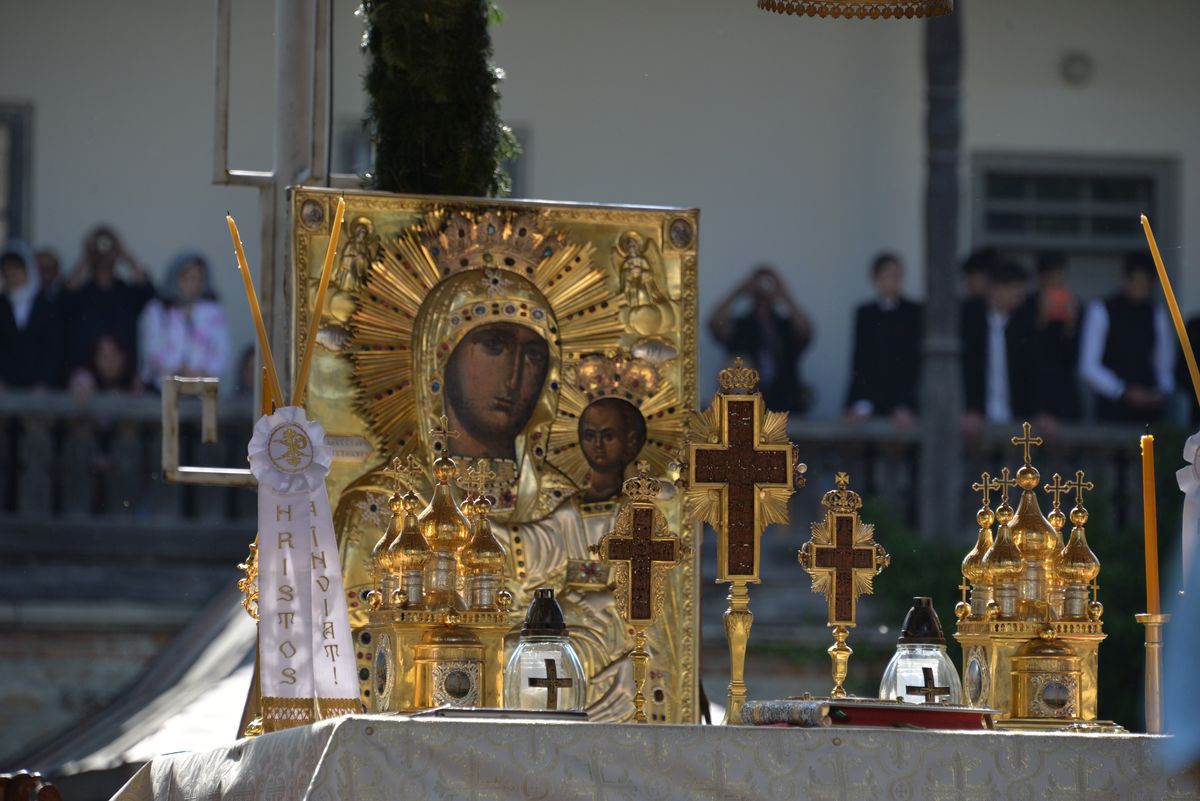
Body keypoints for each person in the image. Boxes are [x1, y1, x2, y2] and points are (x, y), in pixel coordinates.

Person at [1079, 253, 1174, 423]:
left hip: (1149, 412)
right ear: (1125, 279)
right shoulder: (1101, 310)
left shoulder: (1156, 314)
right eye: (1137, 282)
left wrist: (1160, 392)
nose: (1141, 288)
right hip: (1111, 412)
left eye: (1145, 284)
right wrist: (1121, 390)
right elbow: (1088, 366)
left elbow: (1164, 365)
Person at [709, 265, 814, 413]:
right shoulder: (742, 326)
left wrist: (783, 294)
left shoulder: (785, 327)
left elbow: (806, 331)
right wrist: (738, 292)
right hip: (748, 405)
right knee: (738, 365)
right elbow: (714, 324)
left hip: (785, 402)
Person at [961, 260, 1041, 436]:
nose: (1021, 296)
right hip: (974, 420)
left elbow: (1034, 373)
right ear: (998, 288)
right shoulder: (968, 320)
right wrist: (969, 408)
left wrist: (1037, 411)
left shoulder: (1025, 324)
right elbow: (965, 370)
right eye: (1016, 289)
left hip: (1017, 419)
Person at [62, 225, 155, 375]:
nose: (104, 257)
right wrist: (88, 256)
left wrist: (124, 254)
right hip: (86, 375)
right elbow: (64, 297)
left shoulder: (127, 293)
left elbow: (149, 292)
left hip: (124, 375)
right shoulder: (82, 294)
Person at [843, 253, 923, 427]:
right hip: (870, 394)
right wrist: (859, 401)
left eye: (897, 276)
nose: (893, 281)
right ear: (876, 279)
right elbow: (861, 358)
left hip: (904, 396)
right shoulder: (865, 313)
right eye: (888, 275)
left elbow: (913, 362)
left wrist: (906, 403)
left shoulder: (914, 311)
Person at [138, 252, 230, 390]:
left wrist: (199, 373)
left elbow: (223, 353)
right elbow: (150, 351)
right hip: (160, 389)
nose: (193, 284)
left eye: (199, 279)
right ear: (175, 278)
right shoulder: (156, 310)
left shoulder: (214, 312)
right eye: (187, 278)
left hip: (202, 390)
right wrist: (176, 370)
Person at [0, 242, 64, 389]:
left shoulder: (46, 306)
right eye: (6, 269)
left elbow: (53, 348)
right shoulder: (2, 305)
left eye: (16, 267)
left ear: (28, 269)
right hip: (5, 390)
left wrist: (45, 381)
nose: (11, 273)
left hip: (40, 390)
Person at [1028, 250, 1081, 420]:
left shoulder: (1075, 305)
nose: (1055, 284)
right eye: (1050, 278)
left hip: (1064, 393)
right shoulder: (1027, 305)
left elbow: (1076, 358)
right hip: (1034, 392)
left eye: (1059, 277)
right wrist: (1041, 319)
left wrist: (1071, 324)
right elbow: (1026, 354)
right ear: (1040, 279)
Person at [578, 397, 647, 503]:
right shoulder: (568, 509)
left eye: (608, 437)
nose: (598, 444)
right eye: (590, 436)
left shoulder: (642, 506)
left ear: (630, 441)